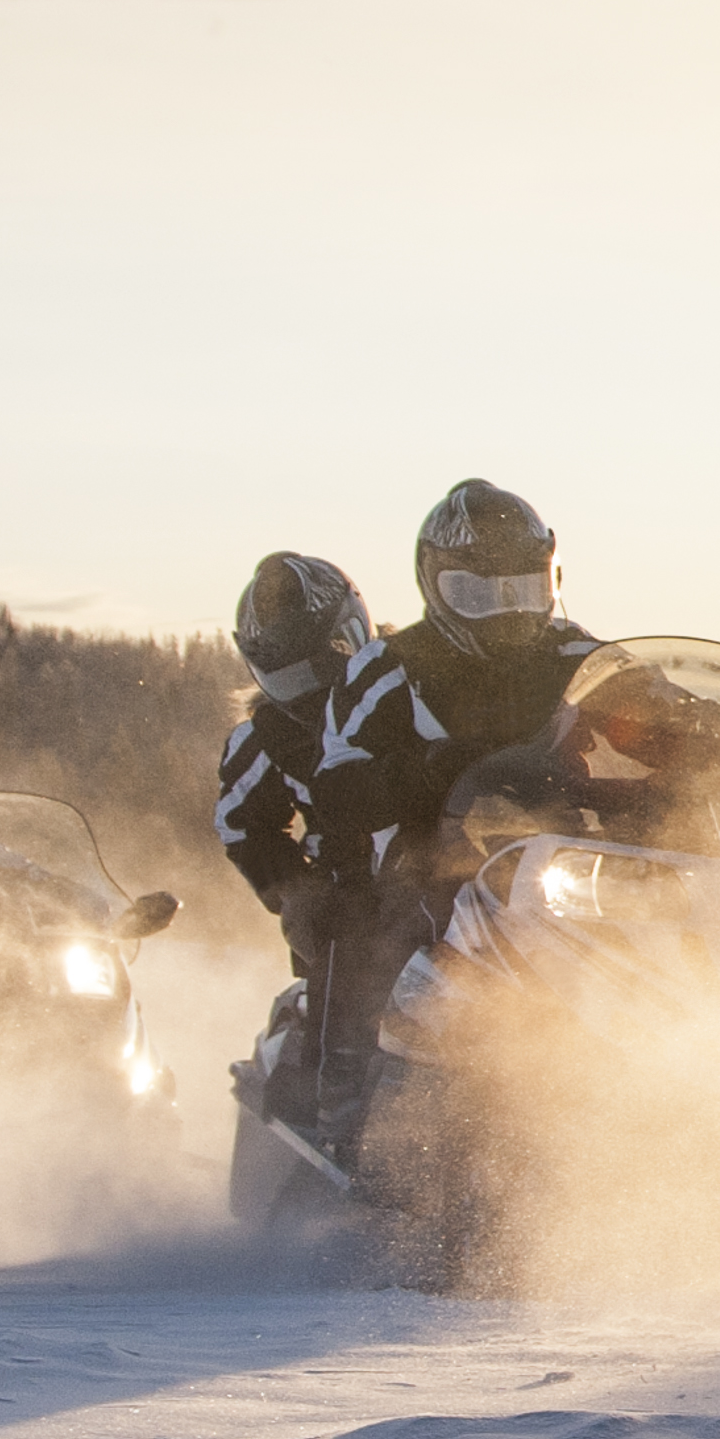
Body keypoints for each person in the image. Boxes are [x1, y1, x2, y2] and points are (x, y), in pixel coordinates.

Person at [302, 482, 594, 1125]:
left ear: (549, 578)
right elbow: (338, 778)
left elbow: (643, 701)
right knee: (383, 920)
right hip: (430, 851)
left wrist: (719, 731)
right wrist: (420, 772)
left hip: (561, 850)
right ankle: (349, 1088)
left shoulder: (574, 653)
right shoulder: (390, 668)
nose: (505, 611)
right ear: (437, 586)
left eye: (522, 589)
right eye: (479, 594)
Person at [213, 551, 371, 985]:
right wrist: (297, 889)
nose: (310, 691)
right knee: (341, 1009)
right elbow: (240, 823)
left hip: (441, 876)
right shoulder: (268, 736)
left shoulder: (405, 688)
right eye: (290, 678)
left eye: (319, 668)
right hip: (344, 909)